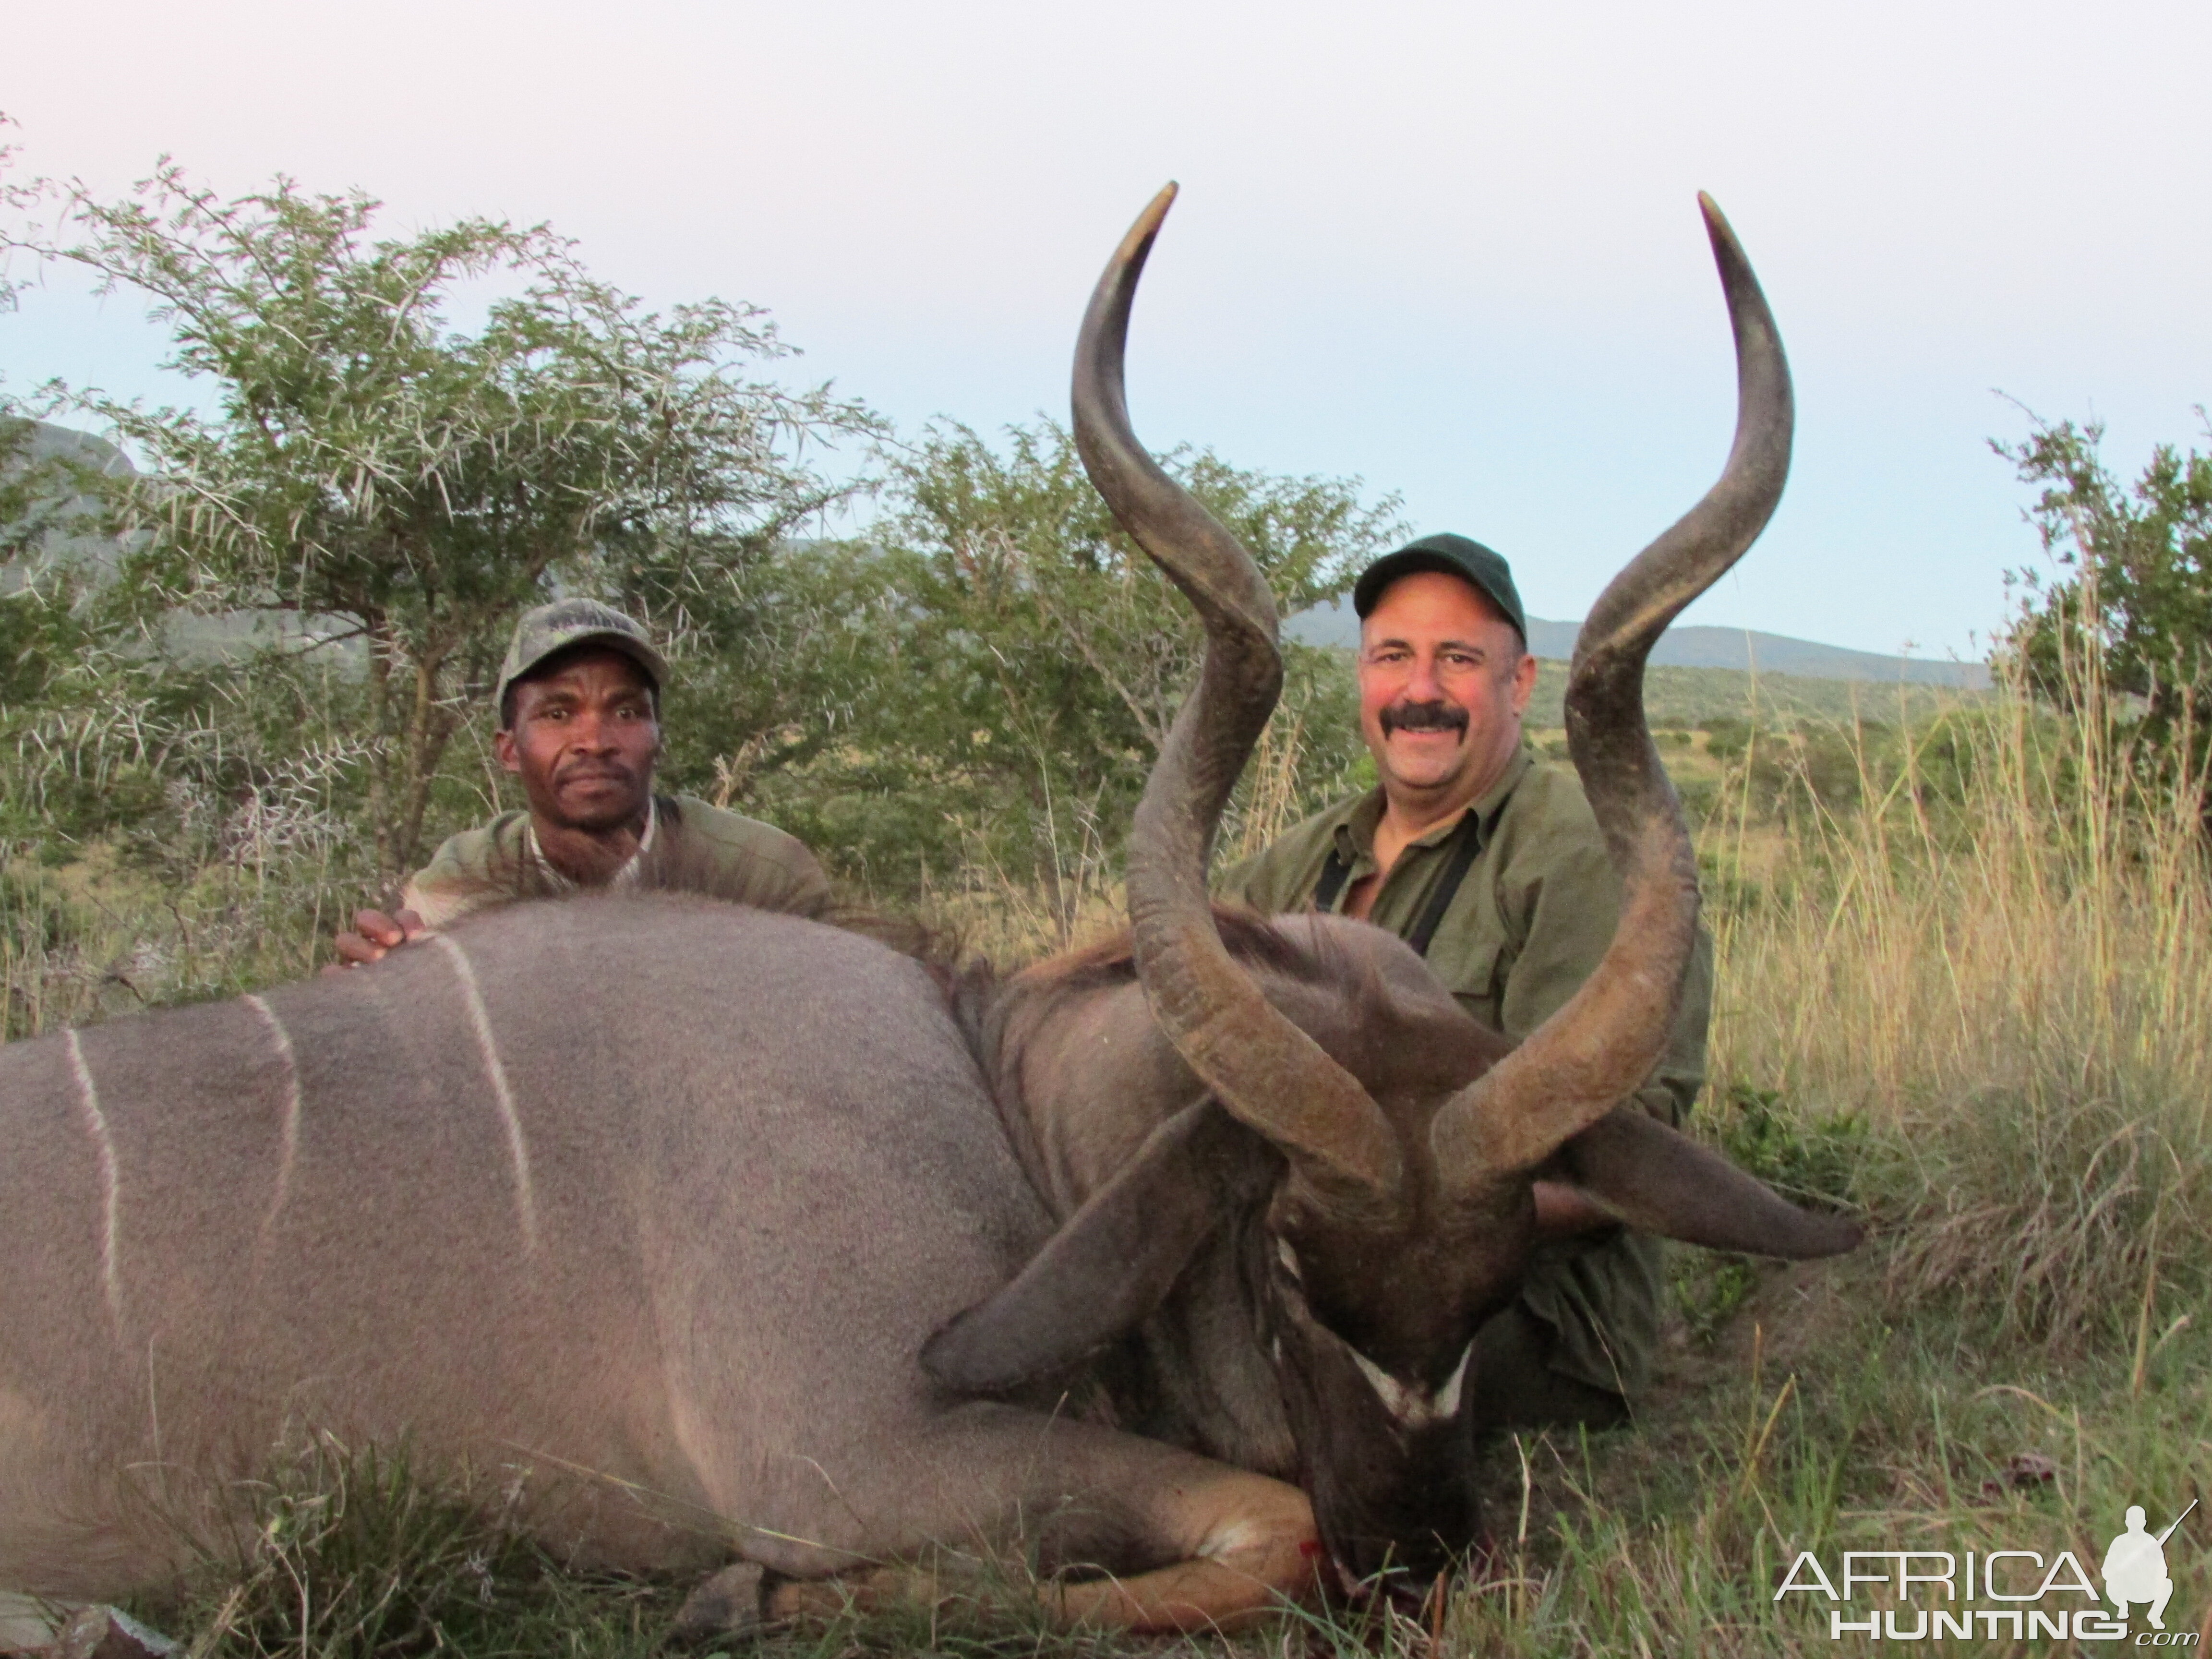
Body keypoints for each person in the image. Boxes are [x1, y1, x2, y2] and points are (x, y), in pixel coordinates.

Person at [1217, 533, 1711, 1428]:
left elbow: (1618, 1156)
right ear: (1362, 679)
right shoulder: (1296, 863)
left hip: (1516, 1314)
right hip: (1301, 1275)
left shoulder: (1583, 856)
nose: (1420, 693)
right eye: (1392, 658)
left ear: (1517, 684)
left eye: (1457, 660)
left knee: (1233, 1395)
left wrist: (1373, 1228)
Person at [335, 599, 831, 965]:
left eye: (626, 711)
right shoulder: (460, 884)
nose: (594, 740)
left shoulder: (765, 874)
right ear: (509, 749)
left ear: (659, 737)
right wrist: (384, 974)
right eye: (558, 713)